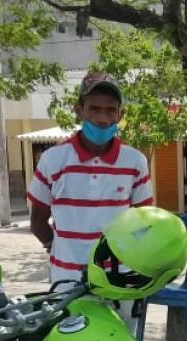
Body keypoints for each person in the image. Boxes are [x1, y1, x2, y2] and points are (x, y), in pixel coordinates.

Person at [28, 71, 154, 321]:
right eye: (94, 108)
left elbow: (143, 223)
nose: (103, 118)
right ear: (79, 110)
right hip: (67, 281)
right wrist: (62, 249)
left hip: (120, 280)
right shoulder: (53, 160)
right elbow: (38, 223)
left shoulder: (135, 162)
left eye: (111, 110)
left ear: (120, 115)